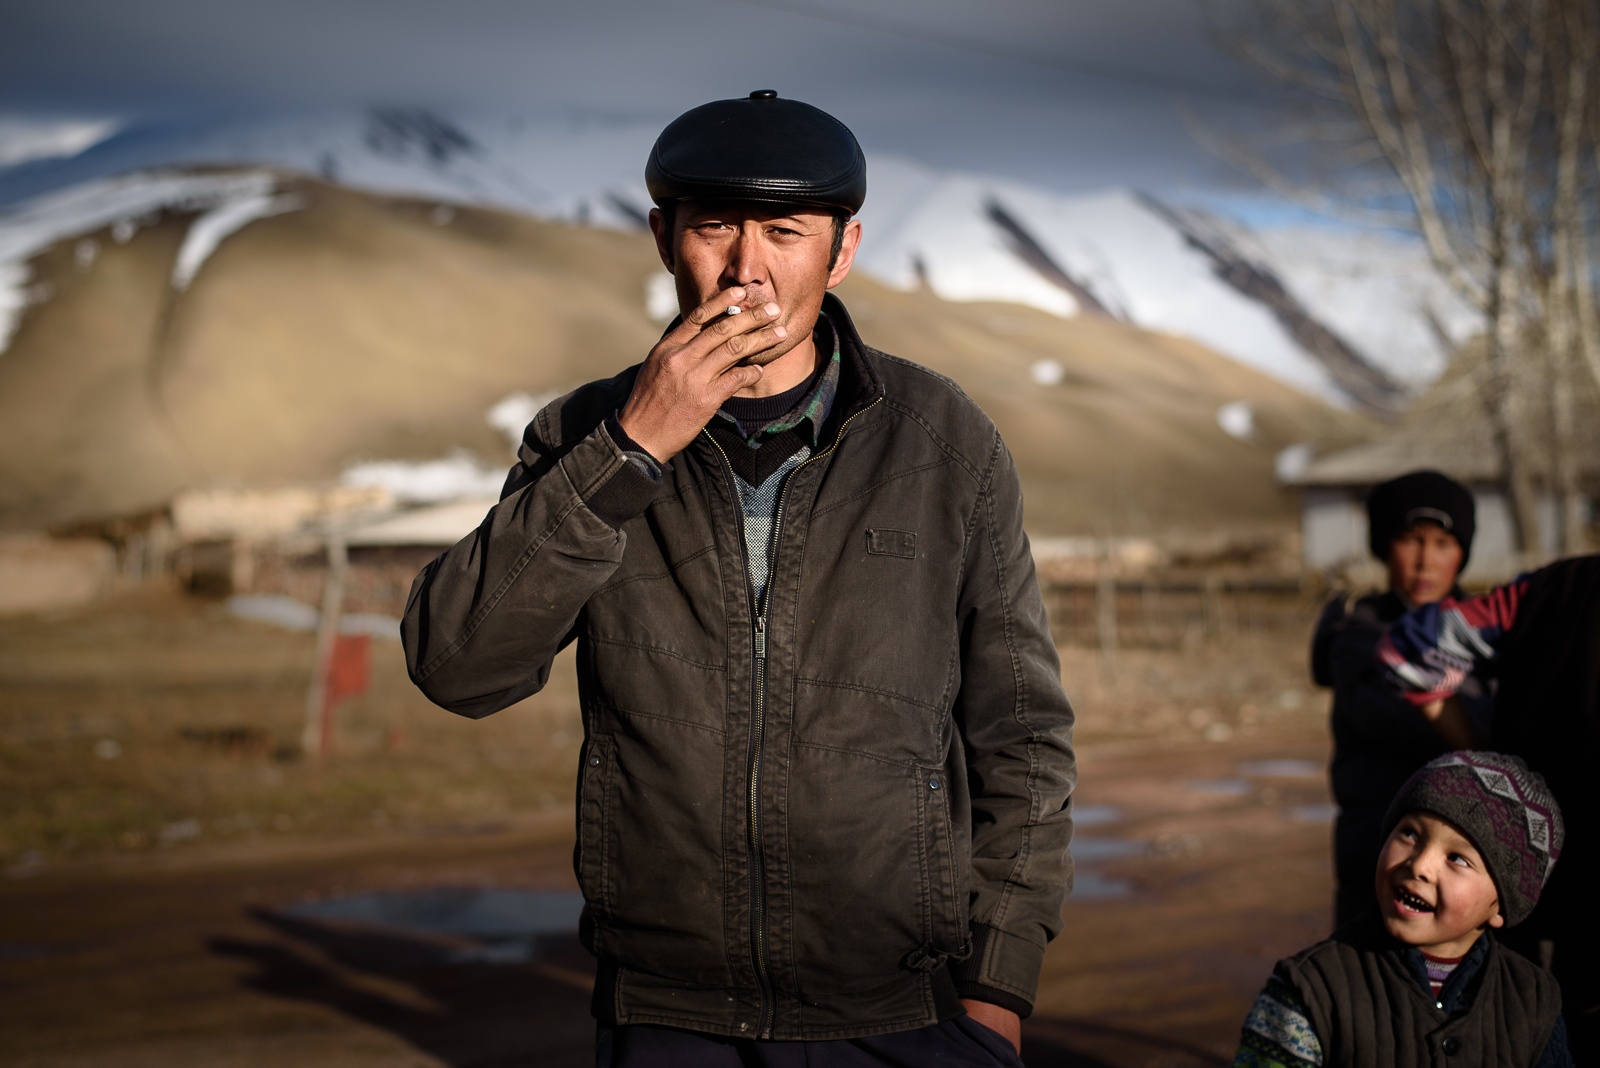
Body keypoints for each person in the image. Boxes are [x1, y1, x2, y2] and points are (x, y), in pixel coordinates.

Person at [402, 90, 1076, 1066]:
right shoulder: (582, 434)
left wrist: (996, 991)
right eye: (714, 227)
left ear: (840, 251)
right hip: (669, 1023)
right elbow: (457, 665)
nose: (746, 269)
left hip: (903, 1019)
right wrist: (631, 449)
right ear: (663, 237)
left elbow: (1021, 735)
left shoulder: (945, 443)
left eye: (785, 232)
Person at [1376, 553, 1600, 1061]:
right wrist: (1478, 757)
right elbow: (1406, 651)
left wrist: (1486, 762)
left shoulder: (1548, 589)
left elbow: (1409, 650)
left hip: (1517, 869)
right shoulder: (1547, 591)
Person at [1233, 751, 1571, 1067]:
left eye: (1457, 858)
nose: (1420, 864)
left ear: (1501, 905)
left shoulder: (1533, 1000)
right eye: (1410, 834)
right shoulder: (1310, 989)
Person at [1310, 470, 1487, 928]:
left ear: (1462, 554)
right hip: (1381, 860)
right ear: (1384, 547)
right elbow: (1412, 721)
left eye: (1444, 543)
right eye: (1411, 540)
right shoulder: (1358, 640)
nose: (1426, 561)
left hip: (1470, 873)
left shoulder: (1491, 637)